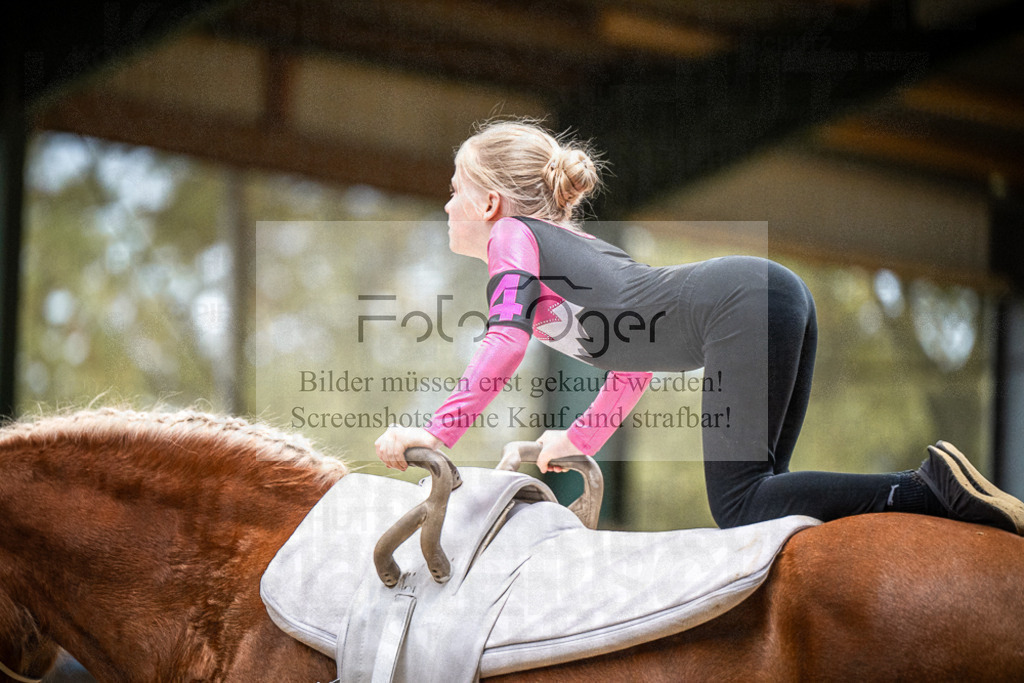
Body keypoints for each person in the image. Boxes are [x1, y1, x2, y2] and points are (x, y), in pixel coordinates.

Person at [374, 118, 1024, 534]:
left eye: (455, 187)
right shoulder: (579, 253)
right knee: (769, 509)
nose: (446, 202)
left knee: (738, 503)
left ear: (489, 202)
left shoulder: (513, 237)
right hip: (774, 294)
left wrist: (435, 433)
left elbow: (504, 341)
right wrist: (580, 437)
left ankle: (925, 489)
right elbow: (632, 364)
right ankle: (932, 508)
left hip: (744, 302)